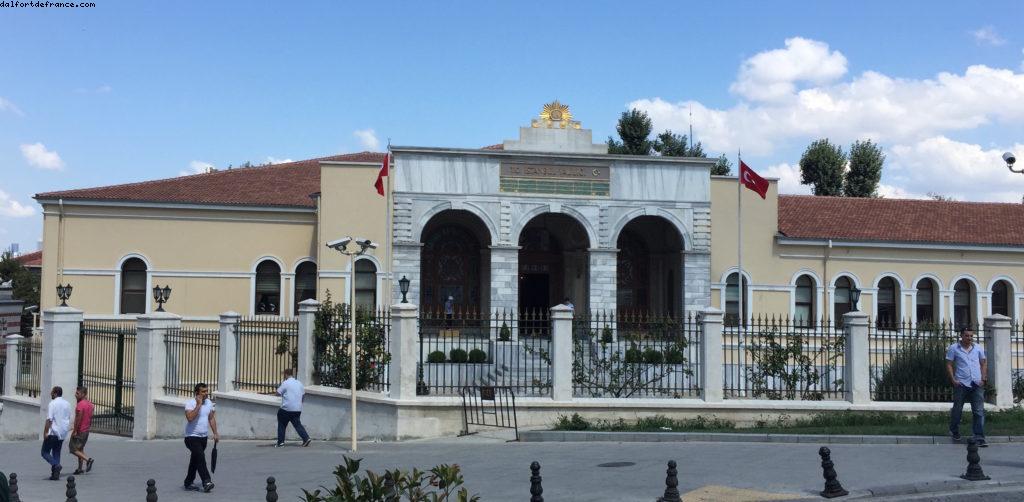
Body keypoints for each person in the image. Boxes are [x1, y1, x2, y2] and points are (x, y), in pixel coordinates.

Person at [946, 328, 988, 446]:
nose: (969, 338)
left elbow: (983, 363)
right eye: (967, 336)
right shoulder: (954, 348)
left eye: (971, 336)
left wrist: (983, 378)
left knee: (978, 411)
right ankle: (954, 430)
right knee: (957, 409)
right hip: (961, 383)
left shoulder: (978, 348)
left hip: (976, 383)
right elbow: (949, 364)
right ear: (961, 336)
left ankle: (979, 437)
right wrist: (953, 380)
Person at [183, 382, 218, 492]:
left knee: (195, 459)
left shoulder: (209, 403)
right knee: (200, 457)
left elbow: (211, 418)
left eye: (206, 391)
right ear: (197, 393)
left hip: (203, 438)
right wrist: (198, 405)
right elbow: (190, 418)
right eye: (203, 391)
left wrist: (215, 433)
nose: (206, 393)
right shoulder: (190, 403)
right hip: (191, 437)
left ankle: (188, 482)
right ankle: (206, 481)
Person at [41, 386, 72, 480]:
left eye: (52, 392)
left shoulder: (52, 403)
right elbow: (68, 417)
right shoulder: (67, 404)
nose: (50, 393)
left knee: (45, 452)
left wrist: (45, 432)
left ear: (55, 393)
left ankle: (55, 465)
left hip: (53, 432)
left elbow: (49, 419)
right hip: (62, 432)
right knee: (56, 452)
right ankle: (55, 474)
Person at [276, 368, 312, 447]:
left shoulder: (285, 383)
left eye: (284, 375)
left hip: (286, 409)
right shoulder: (299, 383)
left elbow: (278, 393)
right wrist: (299, 403)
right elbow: (303, 395)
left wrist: (280, 390)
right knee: (297, 424)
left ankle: (280, 442)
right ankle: (306, 438)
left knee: (282, 424)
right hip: (297, 409)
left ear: (286, 374)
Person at [69, 386, 95, 475]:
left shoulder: (80, 404)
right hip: (86, 430)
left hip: (80, 431)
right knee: (80, 449)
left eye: (77, 393)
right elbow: (90, 418)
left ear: (83, 394)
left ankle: (88, 460)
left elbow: (78, 418)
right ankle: (80, 468)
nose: (75, 395)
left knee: (72, 448)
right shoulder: (90, 405)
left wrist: (75, 430)